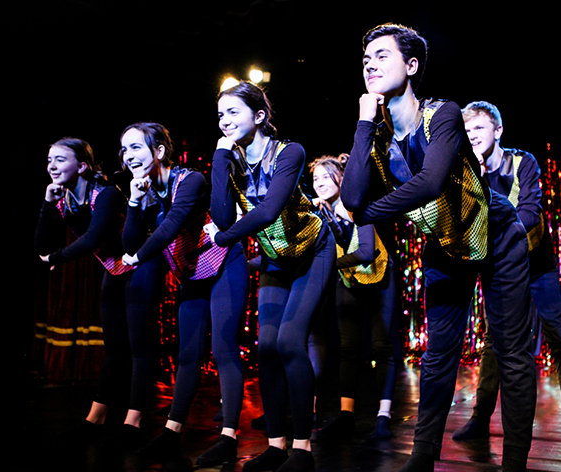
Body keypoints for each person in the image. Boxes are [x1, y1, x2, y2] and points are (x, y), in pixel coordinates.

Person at [340, 24, 536, 472]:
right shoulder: (378, 138)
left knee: (511, 351)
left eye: (382, 55)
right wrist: (364, 123)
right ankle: (423, 455)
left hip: (495, 232)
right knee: (437, 355)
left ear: (411, 66)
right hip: (445, 244)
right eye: (365, 58)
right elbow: (351, 197)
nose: (370, 64)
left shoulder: (442, 114)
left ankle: (514, 463)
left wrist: (368, 214)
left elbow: (429, 184)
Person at [454, 101, 561, 452]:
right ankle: (480, 418)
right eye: (467, 130)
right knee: (494, 341)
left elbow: (529, 213)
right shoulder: (466, 172)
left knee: (559, 339)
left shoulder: (522, 162)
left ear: (498, 131)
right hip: (500, 267)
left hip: (536, 265)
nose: (472, 135)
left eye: (478, 128)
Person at [206, 81, 336, 472]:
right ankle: (276, 445)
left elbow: (269, 210)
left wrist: (224, 238)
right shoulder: (232, 161)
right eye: (220, 115)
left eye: (233, 112)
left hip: (313, 251)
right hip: (276, 259)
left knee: (290, 342)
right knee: (266, 348)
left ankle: (302, 449)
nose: (224, 121)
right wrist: (219, 160)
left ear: (260, 116)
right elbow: (222, 216)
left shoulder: (288, 152)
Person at [117, 122, 250, 466]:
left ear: (159, 151)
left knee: (223, 349)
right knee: (187, 354)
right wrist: (134, 201)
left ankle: (229, 437)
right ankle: (171, 432)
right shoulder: (144, 189)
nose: (128, 156)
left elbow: (171, 225)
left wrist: (137, 257)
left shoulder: (189, 181)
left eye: (136, 147)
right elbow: (130, 241)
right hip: (192, 274)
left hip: (224, 263)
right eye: (125, 149)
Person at [35, 137, 154, 446]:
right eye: (49, 160)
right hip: (114, 269)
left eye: (60, 159)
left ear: (82, 166)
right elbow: (42, 244)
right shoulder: (64, 198)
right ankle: (95, 419)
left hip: (141, 265)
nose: (52, 166)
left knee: (139, 348)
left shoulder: (106, 194)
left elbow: (91, 239)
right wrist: (47, 204)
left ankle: (133, 421)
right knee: (113, 348)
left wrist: (54, 259)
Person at [309, 154, 400, 442]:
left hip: (379, 277)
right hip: (348, 280)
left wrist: (328, 265)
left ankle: (383, 416)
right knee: (347, 348)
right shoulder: (322, 213)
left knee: (381, 346)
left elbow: (366, 251)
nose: (319, 183)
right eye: (315, 178)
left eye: (326, 176)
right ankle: (346, 415)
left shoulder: (357, 204)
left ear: (340, 179)